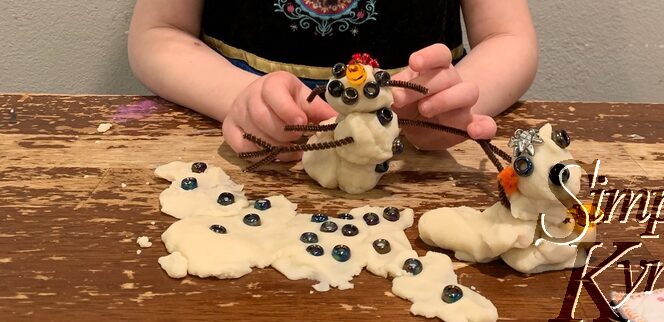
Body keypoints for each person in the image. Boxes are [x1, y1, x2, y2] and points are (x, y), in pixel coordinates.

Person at [128, 0, 537, 160]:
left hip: (419, 165)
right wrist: (243, 99)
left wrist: (448, 103)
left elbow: (508, 38)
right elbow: (160, 33)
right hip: (251, 158)